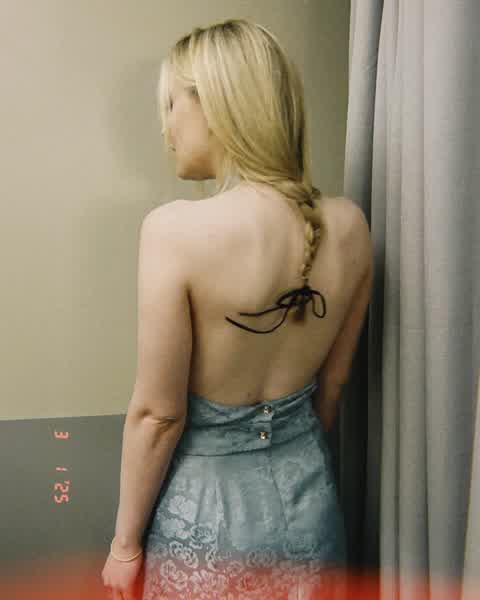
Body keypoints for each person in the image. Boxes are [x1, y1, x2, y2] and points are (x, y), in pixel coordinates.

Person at [102, 17, 374, 600]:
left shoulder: (174, 231)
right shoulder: (352, 227)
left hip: (208, 521)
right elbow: (331, 390)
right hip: (311, 507)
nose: (167, 126)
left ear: (217, 103)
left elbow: (158, 416)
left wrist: (124, 547)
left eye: (172, 104)